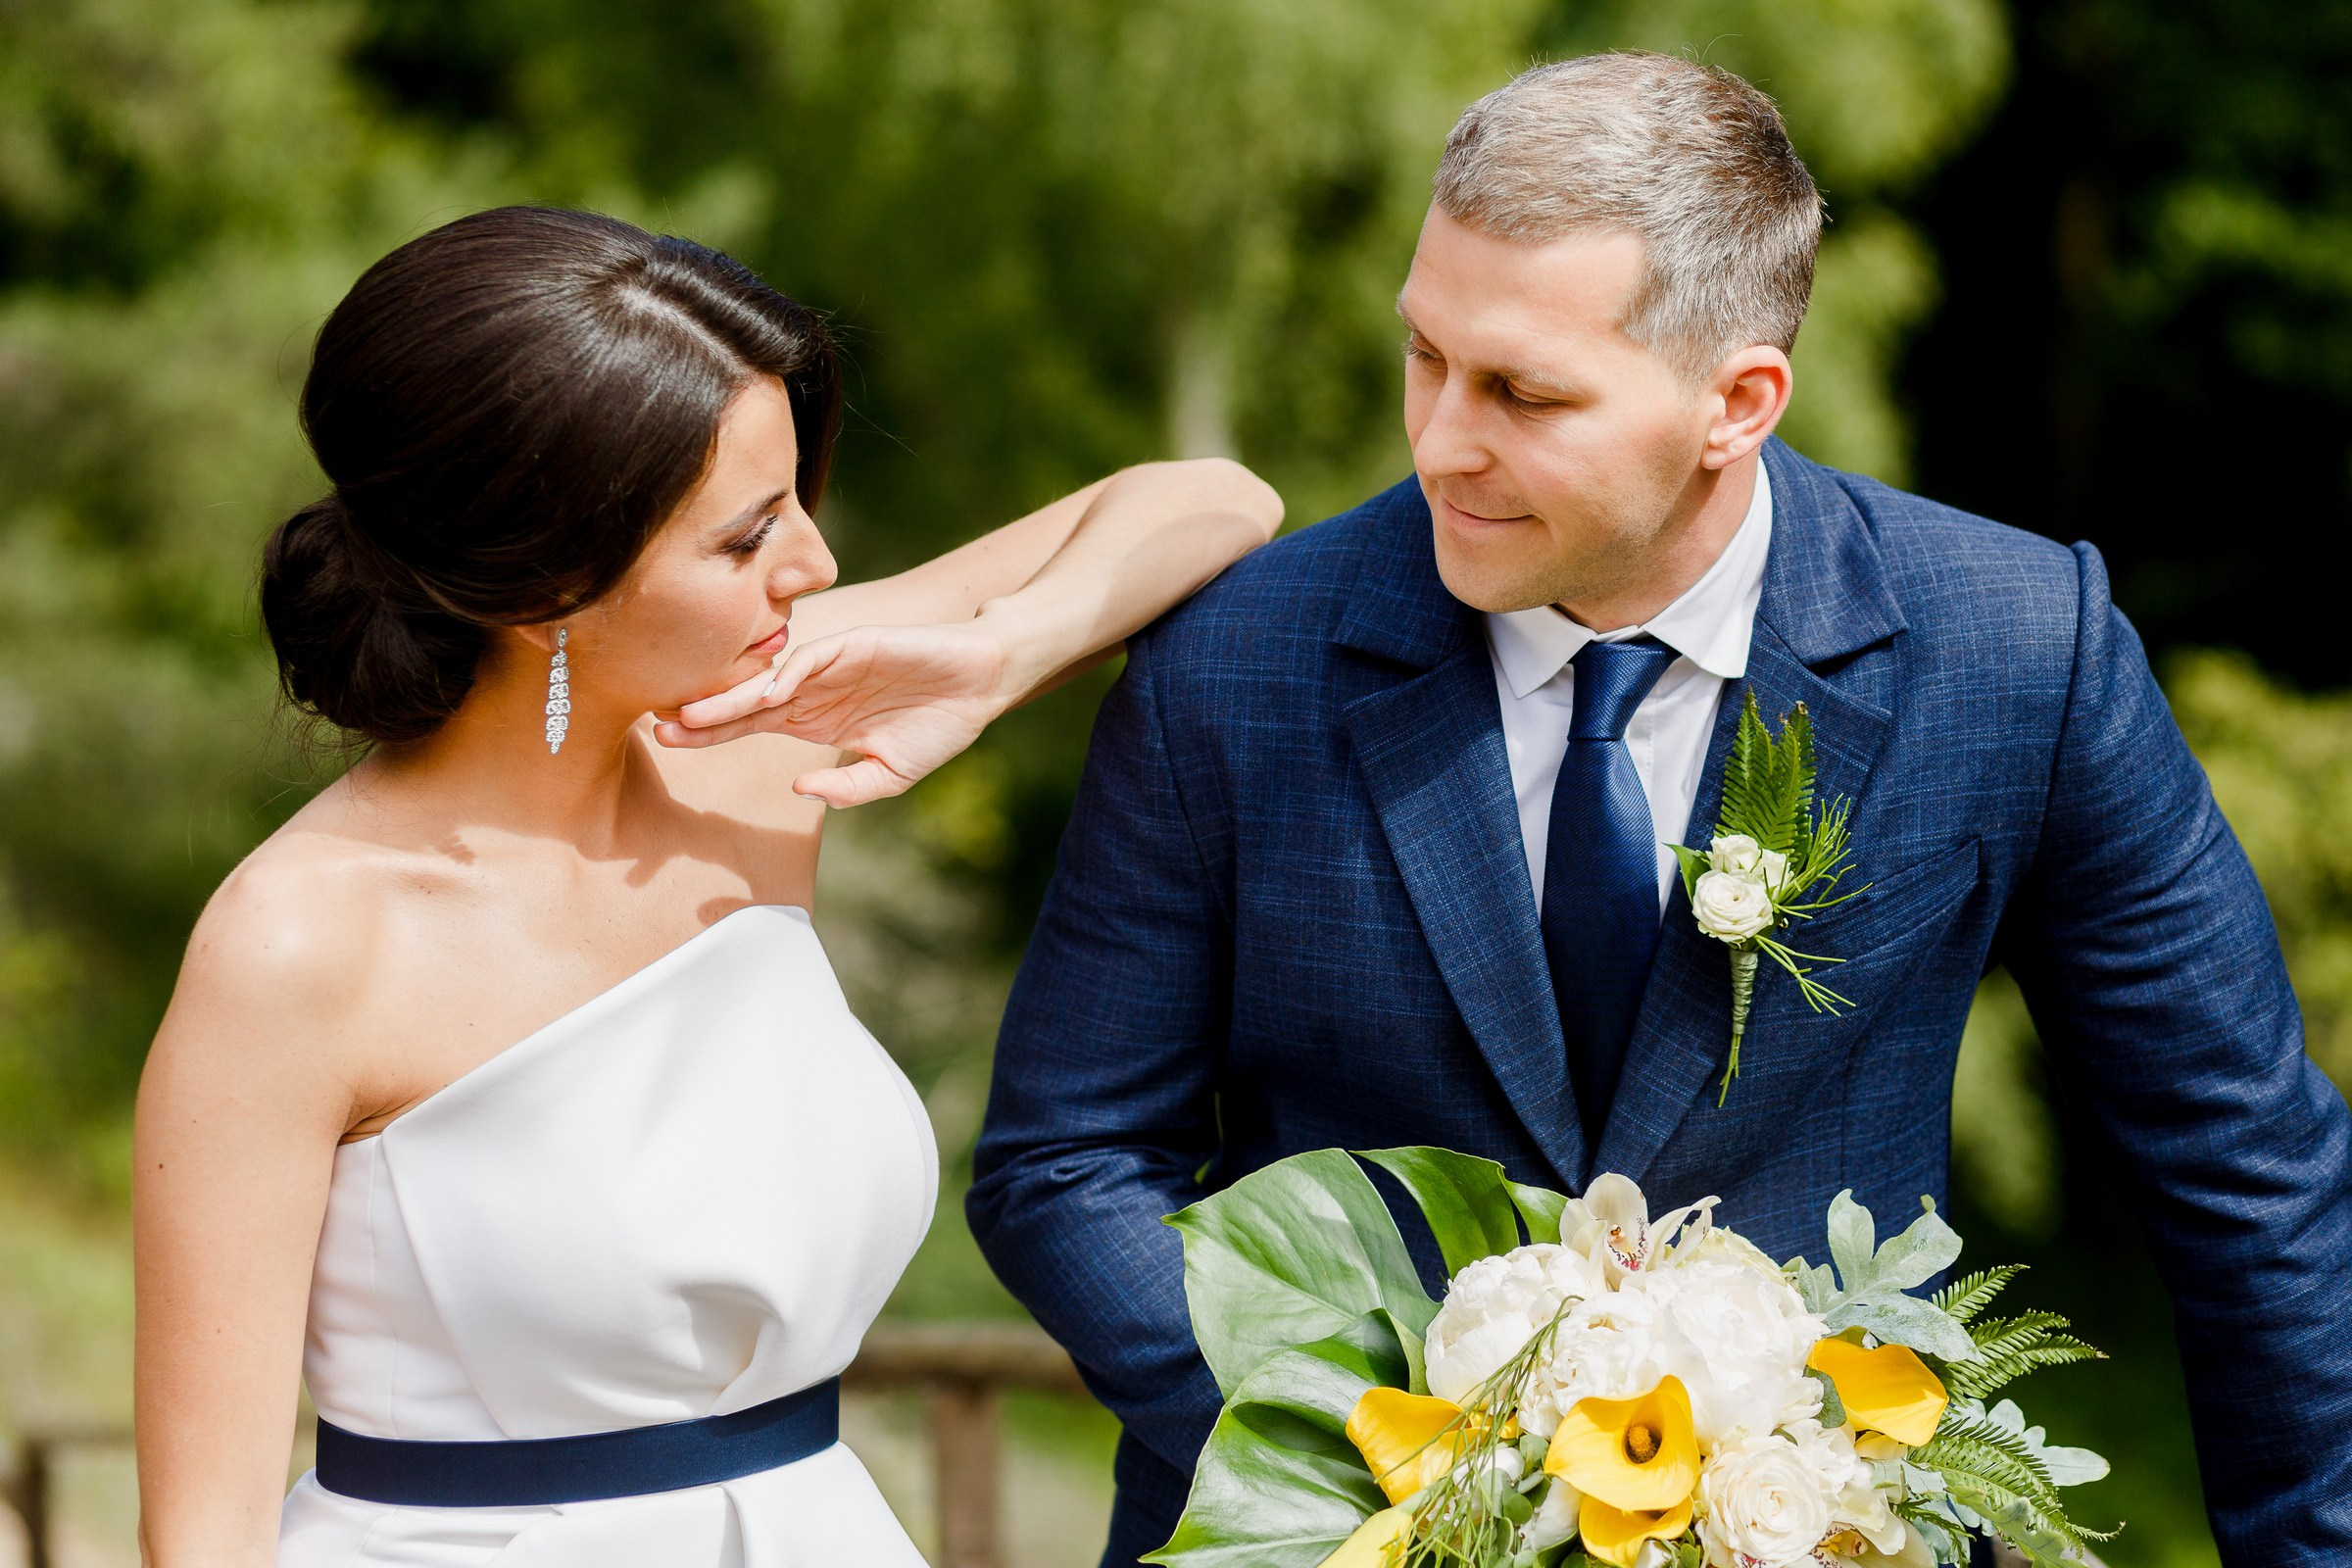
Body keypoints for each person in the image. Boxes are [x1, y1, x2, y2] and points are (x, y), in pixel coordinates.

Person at [967, 52, 2352, 1568]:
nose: (1439, 438)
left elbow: (2253, 1179)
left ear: (1736, 403)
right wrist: (1405, 1470)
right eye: (1424, 356)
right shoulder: (1229, 663)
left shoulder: (2023, 647)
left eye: (1524, 393)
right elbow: (1064, 1166)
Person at [131, 205, 1282, 1568]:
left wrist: (1001, 656)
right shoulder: (301, 945)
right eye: (744, 540)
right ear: (545, 585)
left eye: (799, 496)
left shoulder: (752, 740)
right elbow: (200, 1541)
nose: (816, 565)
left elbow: (1214, 501)